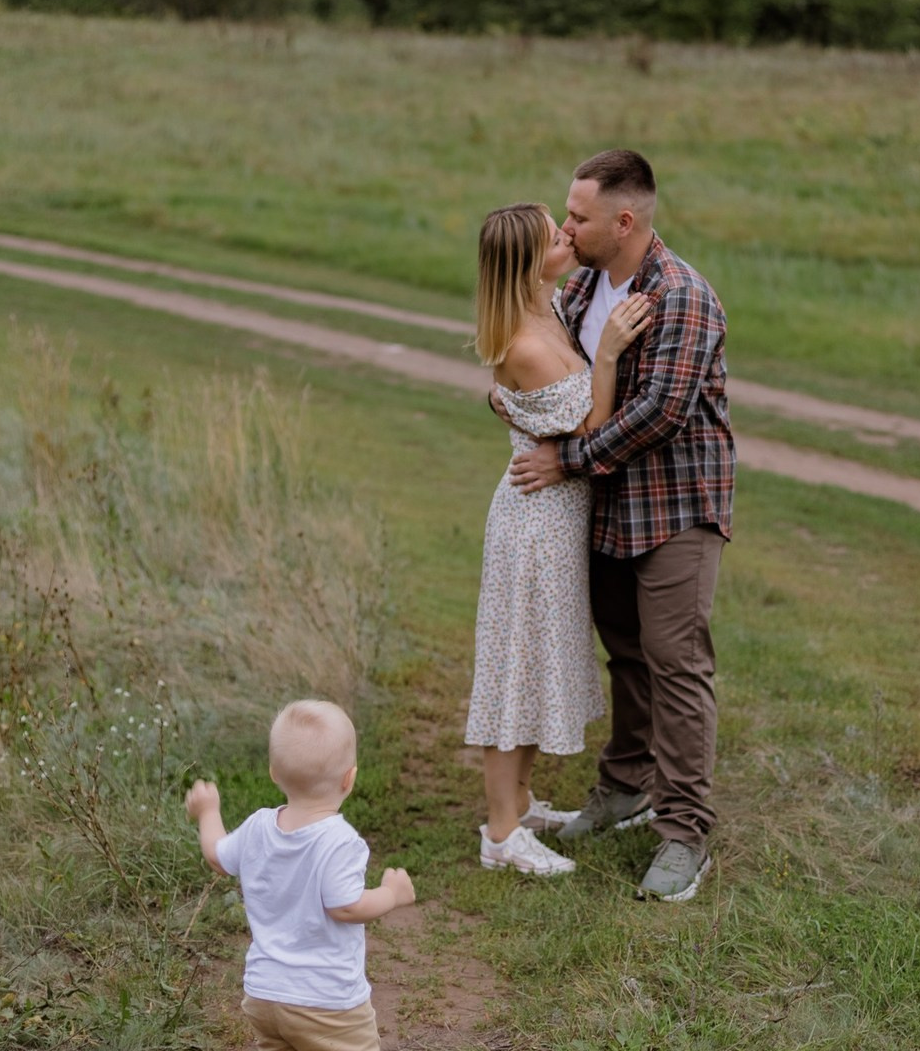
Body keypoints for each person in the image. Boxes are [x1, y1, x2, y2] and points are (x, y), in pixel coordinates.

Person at [507, 149, 735, 903]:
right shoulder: (578, 291)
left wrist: (566, 460)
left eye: (578, 216)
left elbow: (660, 416)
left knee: (675, 662)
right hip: (606, 511)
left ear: (624, 221)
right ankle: (625, 786)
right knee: (627, 655)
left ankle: (685, 832)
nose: (567, 226)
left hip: (675, 507)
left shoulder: (682, 295)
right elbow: (554, 382)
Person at [467, 202, 654, 877]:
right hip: (533, 525)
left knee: (536, 663)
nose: (569, 237)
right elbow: (590, 435)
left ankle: (517, 803)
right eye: (555, 238)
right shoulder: (524, 342)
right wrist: (606, 355)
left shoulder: (551, 309)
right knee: (515, 673)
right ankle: (500, 836)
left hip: (556, 517)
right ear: (528, 262)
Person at [185, 700, 415, 1051]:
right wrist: (391, 894)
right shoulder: (339, 841)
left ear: (274, 773)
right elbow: (347, 907)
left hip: (264, 996)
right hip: (325, 1002)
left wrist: (207, 812)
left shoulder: (259, 826)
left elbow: (217, 855)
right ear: (349, 778)